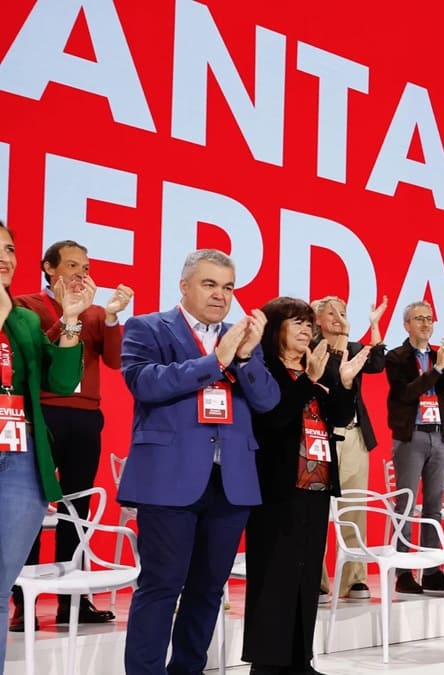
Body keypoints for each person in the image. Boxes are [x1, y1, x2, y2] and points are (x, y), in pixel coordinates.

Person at [119, 249, 280, 675]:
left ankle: (188, 670)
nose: (220, 295)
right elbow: (144, 383)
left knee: (209, 588)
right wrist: (217, 361)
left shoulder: (242, 338)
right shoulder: (147, 327)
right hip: (168, 480)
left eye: (228, 287)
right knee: (161, 585)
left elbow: (266, 400)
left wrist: (244, 357)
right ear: (184, 286)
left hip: (231, 480)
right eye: (209, 284)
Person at [242, 296, 369, 674]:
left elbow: (339, 417)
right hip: (276, 489)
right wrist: (311, 380)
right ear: (275, 329)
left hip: (315, 487)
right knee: (274, 578)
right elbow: (275, 417)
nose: (306, 329)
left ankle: (301, 659)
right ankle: (266, 664)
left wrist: (343, 383)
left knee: (306, 578)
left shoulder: (312, 368)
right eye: (296, 322)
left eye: (307, 324)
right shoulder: (265, 370)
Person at [10, 240, 130, 630]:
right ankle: (21, 601)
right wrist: (70, 316)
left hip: (85, 417)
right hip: (42, 413)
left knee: (76, 509)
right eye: (73, 265)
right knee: (28, 507)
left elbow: (113, 360)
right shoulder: (25, 306)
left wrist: (111, 318)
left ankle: (72, 601)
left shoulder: (96, 312)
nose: (82, 273)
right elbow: (39, 351)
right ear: (48, 267)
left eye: (86, 266)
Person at [0, 221, 87, 664]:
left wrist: (70, 320)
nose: (6, 257)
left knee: (0, 587)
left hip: (20, 454)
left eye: (10, 248)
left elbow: (60, 378)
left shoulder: (25, 319)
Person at [310, 294, 389, 602]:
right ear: (317, 319)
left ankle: (354, 579)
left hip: (356, 436)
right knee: (316, 509)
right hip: (322, 437)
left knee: (354, 507)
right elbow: (330, 379)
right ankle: (315, 579)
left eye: (342, 312)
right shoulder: (313, 349)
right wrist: (340, 339)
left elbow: (378, 363)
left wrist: (373, 325)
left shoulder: (354, 348)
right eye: (331, 312)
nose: (338, 317)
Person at [385, 300, 444, 594]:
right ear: (407, 325)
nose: (426, 324)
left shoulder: (438, 356)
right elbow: (406, 393)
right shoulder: (397, 357)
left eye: (429, 318)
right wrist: (436, 371)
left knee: (433, 506)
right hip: (411, 436)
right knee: (406, 503)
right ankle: (404, 572)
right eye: (419, 319)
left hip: (438, 436)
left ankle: (431, 570)